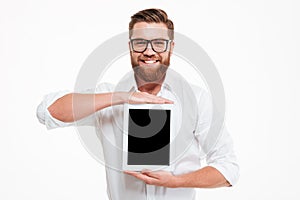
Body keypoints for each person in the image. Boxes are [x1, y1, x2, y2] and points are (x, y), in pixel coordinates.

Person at [37, 8, 239, 200]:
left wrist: (176, 181)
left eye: (159, 43)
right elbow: (48, 111)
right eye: (140, 42)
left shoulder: (195, 99)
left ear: (171, 47)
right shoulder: (108, 96)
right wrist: (122, 98)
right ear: (130, 47)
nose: (149, 51)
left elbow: (228, 169)